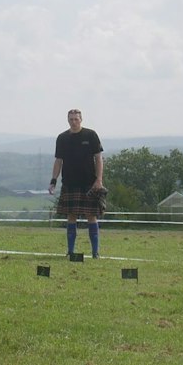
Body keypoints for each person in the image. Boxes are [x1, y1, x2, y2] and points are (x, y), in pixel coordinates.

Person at [49, 108, 104, 257]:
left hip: (89, 183)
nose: (73, 122)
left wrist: (99, 180)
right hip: (70, 183)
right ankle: (70, 252)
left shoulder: (91, 135)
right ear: (68, 120)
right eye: (71, 119)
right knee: (71, 216)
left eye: (76, 119)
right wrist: (53, 181)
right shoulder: (62, 138)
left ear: (81, 120)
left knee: (91, 216)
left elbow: (98, 158)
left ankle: (95, 253)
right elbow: (58, 161)